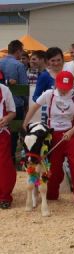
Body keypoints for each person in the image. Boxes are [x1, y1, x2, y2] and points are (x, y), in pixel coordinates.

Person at [22, 71, 74, 207]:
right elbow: (34, 106)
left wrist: (70, 132)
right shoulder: (49, 94)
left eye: (67, 87)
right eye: (61, 86)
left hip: (71, 135)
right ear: (56, 84)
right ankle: (51, 194)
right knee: (53, 168)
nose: (64, 89)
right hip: (52, 136)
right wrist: (25, 123)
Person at [0, 79, 16, 209]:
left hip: (1, 133)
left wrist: (6, 119)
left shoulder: (4, 90)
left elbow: (12, 112)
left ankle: (4, 196)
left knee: (4, 164)